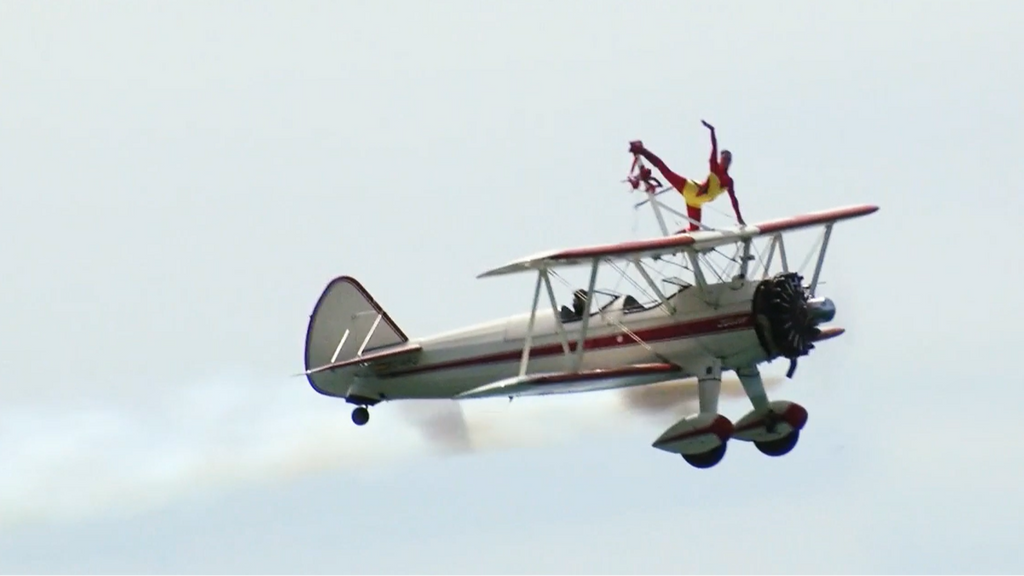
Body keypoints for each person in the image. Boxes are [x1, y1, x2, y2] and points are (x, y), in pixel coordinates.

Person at [629, 120, 744, 232]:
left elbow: (733, 200)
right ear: (721, 159)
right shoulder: (714, 166)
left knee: (694, 230)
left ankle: (674, 238)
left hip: (695, 202)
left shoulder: (728, 181)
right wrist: (712, 131)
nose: (726, 161)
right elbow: (714, 147)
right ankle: (641, 150)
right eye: (724, 159)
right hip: (690, 188)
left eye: (728, 160)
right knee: (664, 170)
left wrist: (739, 217)